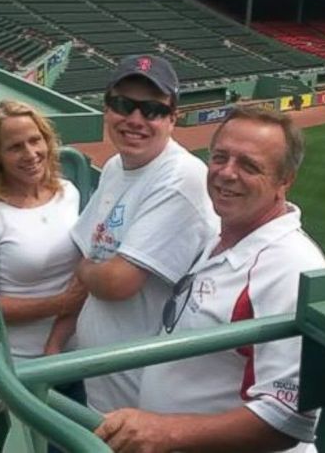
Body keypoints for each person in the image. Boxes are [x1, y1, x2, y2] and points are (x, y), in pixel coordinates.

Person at [95, 106, 325, 453]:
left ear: (285, 180)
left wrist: (164, 431)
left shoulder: (290, 267)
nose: (226, 173)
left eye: (249, 166)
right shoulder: (224, 238)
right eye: (220, 158)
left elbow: (288, 417)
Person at [60, 55, 219, 413]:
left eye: (151, 110)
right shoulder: (118, 166)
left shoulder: (181, 178)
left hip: (141, 400)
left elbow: (116, 281)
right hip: (100, 379)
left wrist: (88, 270)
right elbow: (89, 248)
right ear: (106, 109)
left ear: (172, 118)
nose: (134, 120)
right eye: (122, 105)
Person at [0, 100, 87, 360]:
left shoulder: (68, 193)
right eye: (15, 147)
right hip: (19, 360)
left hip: (79, 350)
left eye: (34, 140)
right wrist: (61, 303)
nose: (30, 154)